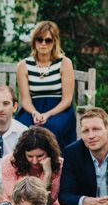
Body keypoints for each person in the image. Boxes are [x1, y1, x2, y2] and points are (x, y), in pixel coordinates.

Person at [15, 20, 76, 149]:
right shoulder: (23, 65)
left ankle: (54, 165)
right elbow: (25, 100)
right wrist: (35, 113)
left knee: (52, 128)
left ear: (54, 42)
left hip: (59, 109)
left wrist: (48, 114)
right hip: (33, 108)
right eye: (39, 39)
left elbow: (67, 100)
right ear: (34, 41)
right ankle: (25, 165)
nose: (43, 43)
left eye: (48, 40)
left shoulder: (64, 63)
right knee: (21, 129)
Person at [0, 126, 63, 205]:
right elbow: (14, 197)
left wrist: (47, 174)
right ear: (23, 153)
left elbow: (49, 200)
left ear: (49, 152)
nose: (35, 161)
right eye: (30, 156)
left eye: (40, 156)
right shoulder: (9, 162)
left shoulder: (58, 163)